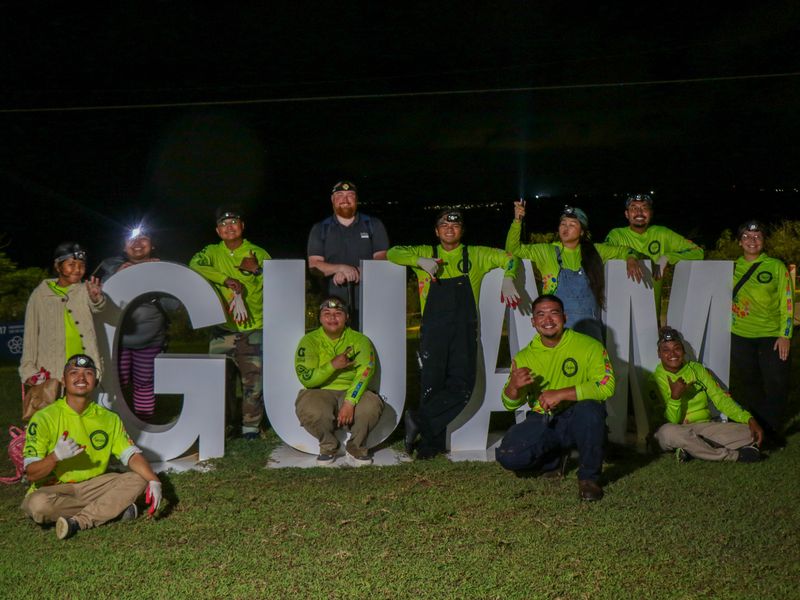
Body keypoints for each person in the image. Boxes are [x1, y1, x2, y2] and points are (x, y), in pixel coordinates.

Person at [387, 209, 520, 459]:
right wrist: (419, 261)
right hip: (433, 331)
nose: (450, 229)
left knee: (463, 387)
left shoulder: (476, 254)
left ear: (462, 230)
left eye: (455, 225)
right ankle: (430, 445)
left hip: (464, 330)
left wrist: (509, 278)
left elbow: (510, 258)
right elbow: (392, 252)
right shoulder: (427, 252)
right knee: (431, 386)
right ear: (436, 231)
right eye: (444, 225)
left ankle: (418, 419)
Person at [21, 354, 162, 540]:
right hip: (55, 488)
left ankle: (78, 521)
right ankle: (112, 509)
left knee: (139, 478)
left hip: (95, 485)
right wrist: (55, 457)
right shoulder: (44, 418)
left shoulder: (109, 418)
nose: (81, 377)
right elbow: (31, 474)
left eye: (88, 373)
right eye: (74, 373)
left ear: (95, 381)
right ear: (63, 380)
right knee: (38, 505)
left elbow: (131, 455)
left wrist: (154, 481)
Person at [495, 295, 614, 501]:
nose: (548, 320)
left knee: (590, 410)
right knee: (509, 456)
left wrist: (561, 393)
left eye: (554, 313)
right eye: (541, 314)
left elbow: (606, 386)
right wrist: (514, 387)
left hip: (579, 415)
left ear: (564, 317)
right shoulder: (524, 356)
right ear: (533, 321)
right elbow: (510, 403)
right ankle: (554, 459)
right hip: (544, 418)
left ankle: (588, 479)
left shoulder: (589, 346)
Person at [506, 201, 643, 341]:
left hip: (590, 327)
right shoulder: (546, 251)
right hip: (556, 327)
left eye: (572, 225)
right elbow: (513, 250)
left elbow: (627, 250)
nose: (566, 228)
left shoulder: (595, 251)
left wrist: (631, 258)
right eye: (563, 224)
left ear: (582, 232)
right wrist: (517, 221)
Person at [189, 207, 271, 439]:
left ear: (242, 226)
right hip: (223, 329)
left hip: (252, 328)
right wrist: (226, 279)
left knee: (253, 381)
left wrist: (257, 270)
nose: (229, 227)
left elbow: (277, 281)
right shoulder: (212, 251)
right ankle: (224, 423)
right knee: (219, 381)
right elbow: (194, 264)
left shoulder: (258, 252)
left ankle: (250, 426)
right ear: (218, 231)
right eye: (223, 225)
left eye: (233, 222)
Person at [96, 225, 180, 420]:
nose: (137, 243)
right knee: (116, 383)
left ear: (152, 246)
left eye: (144, 238)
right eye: (131, 239)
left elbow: (174, 305)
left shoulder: (163, 269)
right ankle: (116, 424)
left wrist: (158, 275)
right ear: (123, 248)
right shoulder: (110, 268)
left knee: (145, 384)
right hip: (117, 342)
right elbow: (97, 300)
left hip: (150, 341)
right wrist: (118, 274)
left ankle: (143, 422)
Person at [648, 326, 763, 462]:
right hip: (675, 430)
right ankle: (733, 455)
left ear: (683, 351)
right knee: (668, 433)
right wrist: (675, 398)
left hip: (703, 428)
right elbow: (668, 422)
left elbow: (721, 399)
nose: (672, 354)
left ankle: (692, 450)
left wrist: (748, 418)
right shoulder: (654, 380)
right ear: (659, 354)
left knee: (748, 432)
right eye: (666, 350)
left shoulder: (697, 369)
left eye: (677, 348)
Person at [294, 297, 384, 466]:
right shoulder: (309, 340)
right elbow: (307, 379)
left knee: (371, 405)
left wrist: (350, 402)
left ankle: (356, 447)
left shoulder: (360, 340)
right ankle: (328, 446)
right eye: (327, 313)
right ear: (320, 318)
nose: (332, 318)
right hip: (319, 391)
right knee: (309, 407)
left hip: (351, 389)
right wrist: (332, 366)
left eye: (338, 313)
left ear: (347, 317)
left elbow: (366, 372)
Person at [729, 220, 793, 447]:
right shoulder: (731, 268)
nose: (752, 240)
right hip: (740, 335)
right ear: (739, 242)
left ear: (763, 241)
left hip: (771, 335)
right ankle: (759, 429)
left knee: (776, 381)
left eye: (757, 236)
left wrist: (785, 335)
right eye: (746, 236)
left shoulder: (776, 266)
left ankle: (772, 429)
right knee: (750, 383)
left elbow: (787, 301)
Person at [19, 242, 106, 392]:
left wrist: (96, 298)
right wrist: (28, 369)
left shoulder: (86, 290)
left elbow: (99, 307)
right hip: (51, 370)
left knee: (81, 404)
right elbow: (30, 334)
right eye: (71, 265)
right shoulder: (40, 294)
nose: (77, 269)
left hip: (83, 366)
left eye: (81, 265)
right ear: (58, 266)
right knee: (54, 405)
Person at [604, 193, 703, 319]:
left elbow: (698, 252)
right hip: (621, 311)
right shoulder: (616, 235)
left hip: (652, 313)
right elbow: (603, 254)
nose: (639, 212)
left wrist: (667, 257)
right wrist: (629, 256)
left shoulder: (662, 233)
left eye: (644, 208)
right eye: (634, 208)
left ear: (651, 213)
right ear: (627, 214)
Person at [307, 180, 390, 327]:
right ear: (332, 200)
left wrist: (356, 271)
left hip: (370, 303)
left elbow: (382, 259)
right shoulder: (320, 229)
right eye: (340, 195)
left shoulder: (373, 225)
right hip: (332, 308)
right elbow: (314, 265)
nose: (345, 200)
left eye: (350, 195)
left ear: (356, 199)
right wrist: (341, 268)